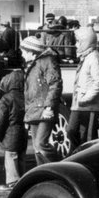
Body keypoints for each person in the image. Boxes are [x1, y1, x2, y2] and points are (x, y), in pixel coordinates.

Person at [21, 34, 63, 166]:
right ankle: (44, 172)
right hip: (36, 109)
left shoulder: (46, 61)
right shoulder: (34, 64)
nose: (22, 54)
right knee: (37, 146)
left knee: (40, 144)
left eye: (23, 51)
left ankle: (61, 166)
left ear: (31, 52)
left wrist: (49, 107)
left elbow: (55, 84)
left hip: (44, 109)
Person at [68, 26, 99, 151]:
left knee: (88, 138)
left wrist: (85, 99)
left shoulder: (94, 58)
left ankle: (85, 161)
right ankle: (76, 155)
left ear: (86, 42)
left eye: (78, 41)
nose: (75, 44)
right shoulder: (86, 56)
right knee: (71, 131)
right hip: (80, 104)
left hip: (89, 105)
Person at [0, 69, 27, 188]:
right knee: (21, 158)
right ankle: (22, 180)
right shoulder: (26, 97)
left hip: (10, 133)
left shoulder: (6, 99)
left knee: (11, 157)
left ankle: (13, 181)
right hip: (23, 133)